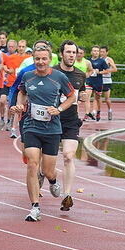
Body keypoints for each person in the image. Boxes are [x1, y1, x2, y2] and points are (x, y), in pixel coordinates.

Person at [10, 44, 76, 221]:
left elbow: (72, 96)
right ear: (34, 60)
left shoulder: (59, 77)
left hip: (52, 129)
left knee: (48, 170)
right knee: (32, 163)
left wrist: (59, 109)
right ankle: (35, 207)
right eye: (37, 59)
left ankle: (53, 181)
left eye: (44, 59)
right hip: (31, 126)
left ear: (50, 59)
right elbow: (21, 92)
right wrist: (20, 105)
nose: (40, 62)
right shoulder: (27, 76)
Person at [56, 41, 86, 211]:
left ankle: (66, 195)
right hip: (52, 120)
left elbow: (81, 93)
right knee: (47, 163)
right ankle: (43, 178)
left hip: (71, 121)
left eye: (74, 52)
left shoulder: (80, 75)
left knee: (68, 156)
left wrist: (83, 96)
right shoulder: (52, 72)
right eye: (68, 52)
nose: (71, 55)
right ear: (62, 54)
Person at [0, 39, 28, 132]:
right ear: (17, 47)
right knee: (8, 103)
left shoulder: (28, 58)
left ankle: (16, 122)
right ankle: (7, 120)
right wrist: (7, 70)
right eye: (19, 46)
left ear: (26, 48)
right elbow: (2, 65)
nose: (21, 48)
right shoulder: (11, 57)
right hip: (11, 83)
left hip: (23, 84)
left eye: (23, 47)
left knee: (20, 105)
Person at [97, 46, 118, 120]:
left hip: (107, 80)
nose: (101, 53)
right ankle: (97, 112)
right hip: (99, 79)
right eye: (100, 52)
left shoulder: (109, 59)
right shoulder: (98, 59)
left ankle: (109, 110)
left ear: (107, 52)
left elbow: (115, 69)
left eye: (103, 52)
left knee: (107, 99)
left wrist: (106, 71)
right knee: (97, 97)